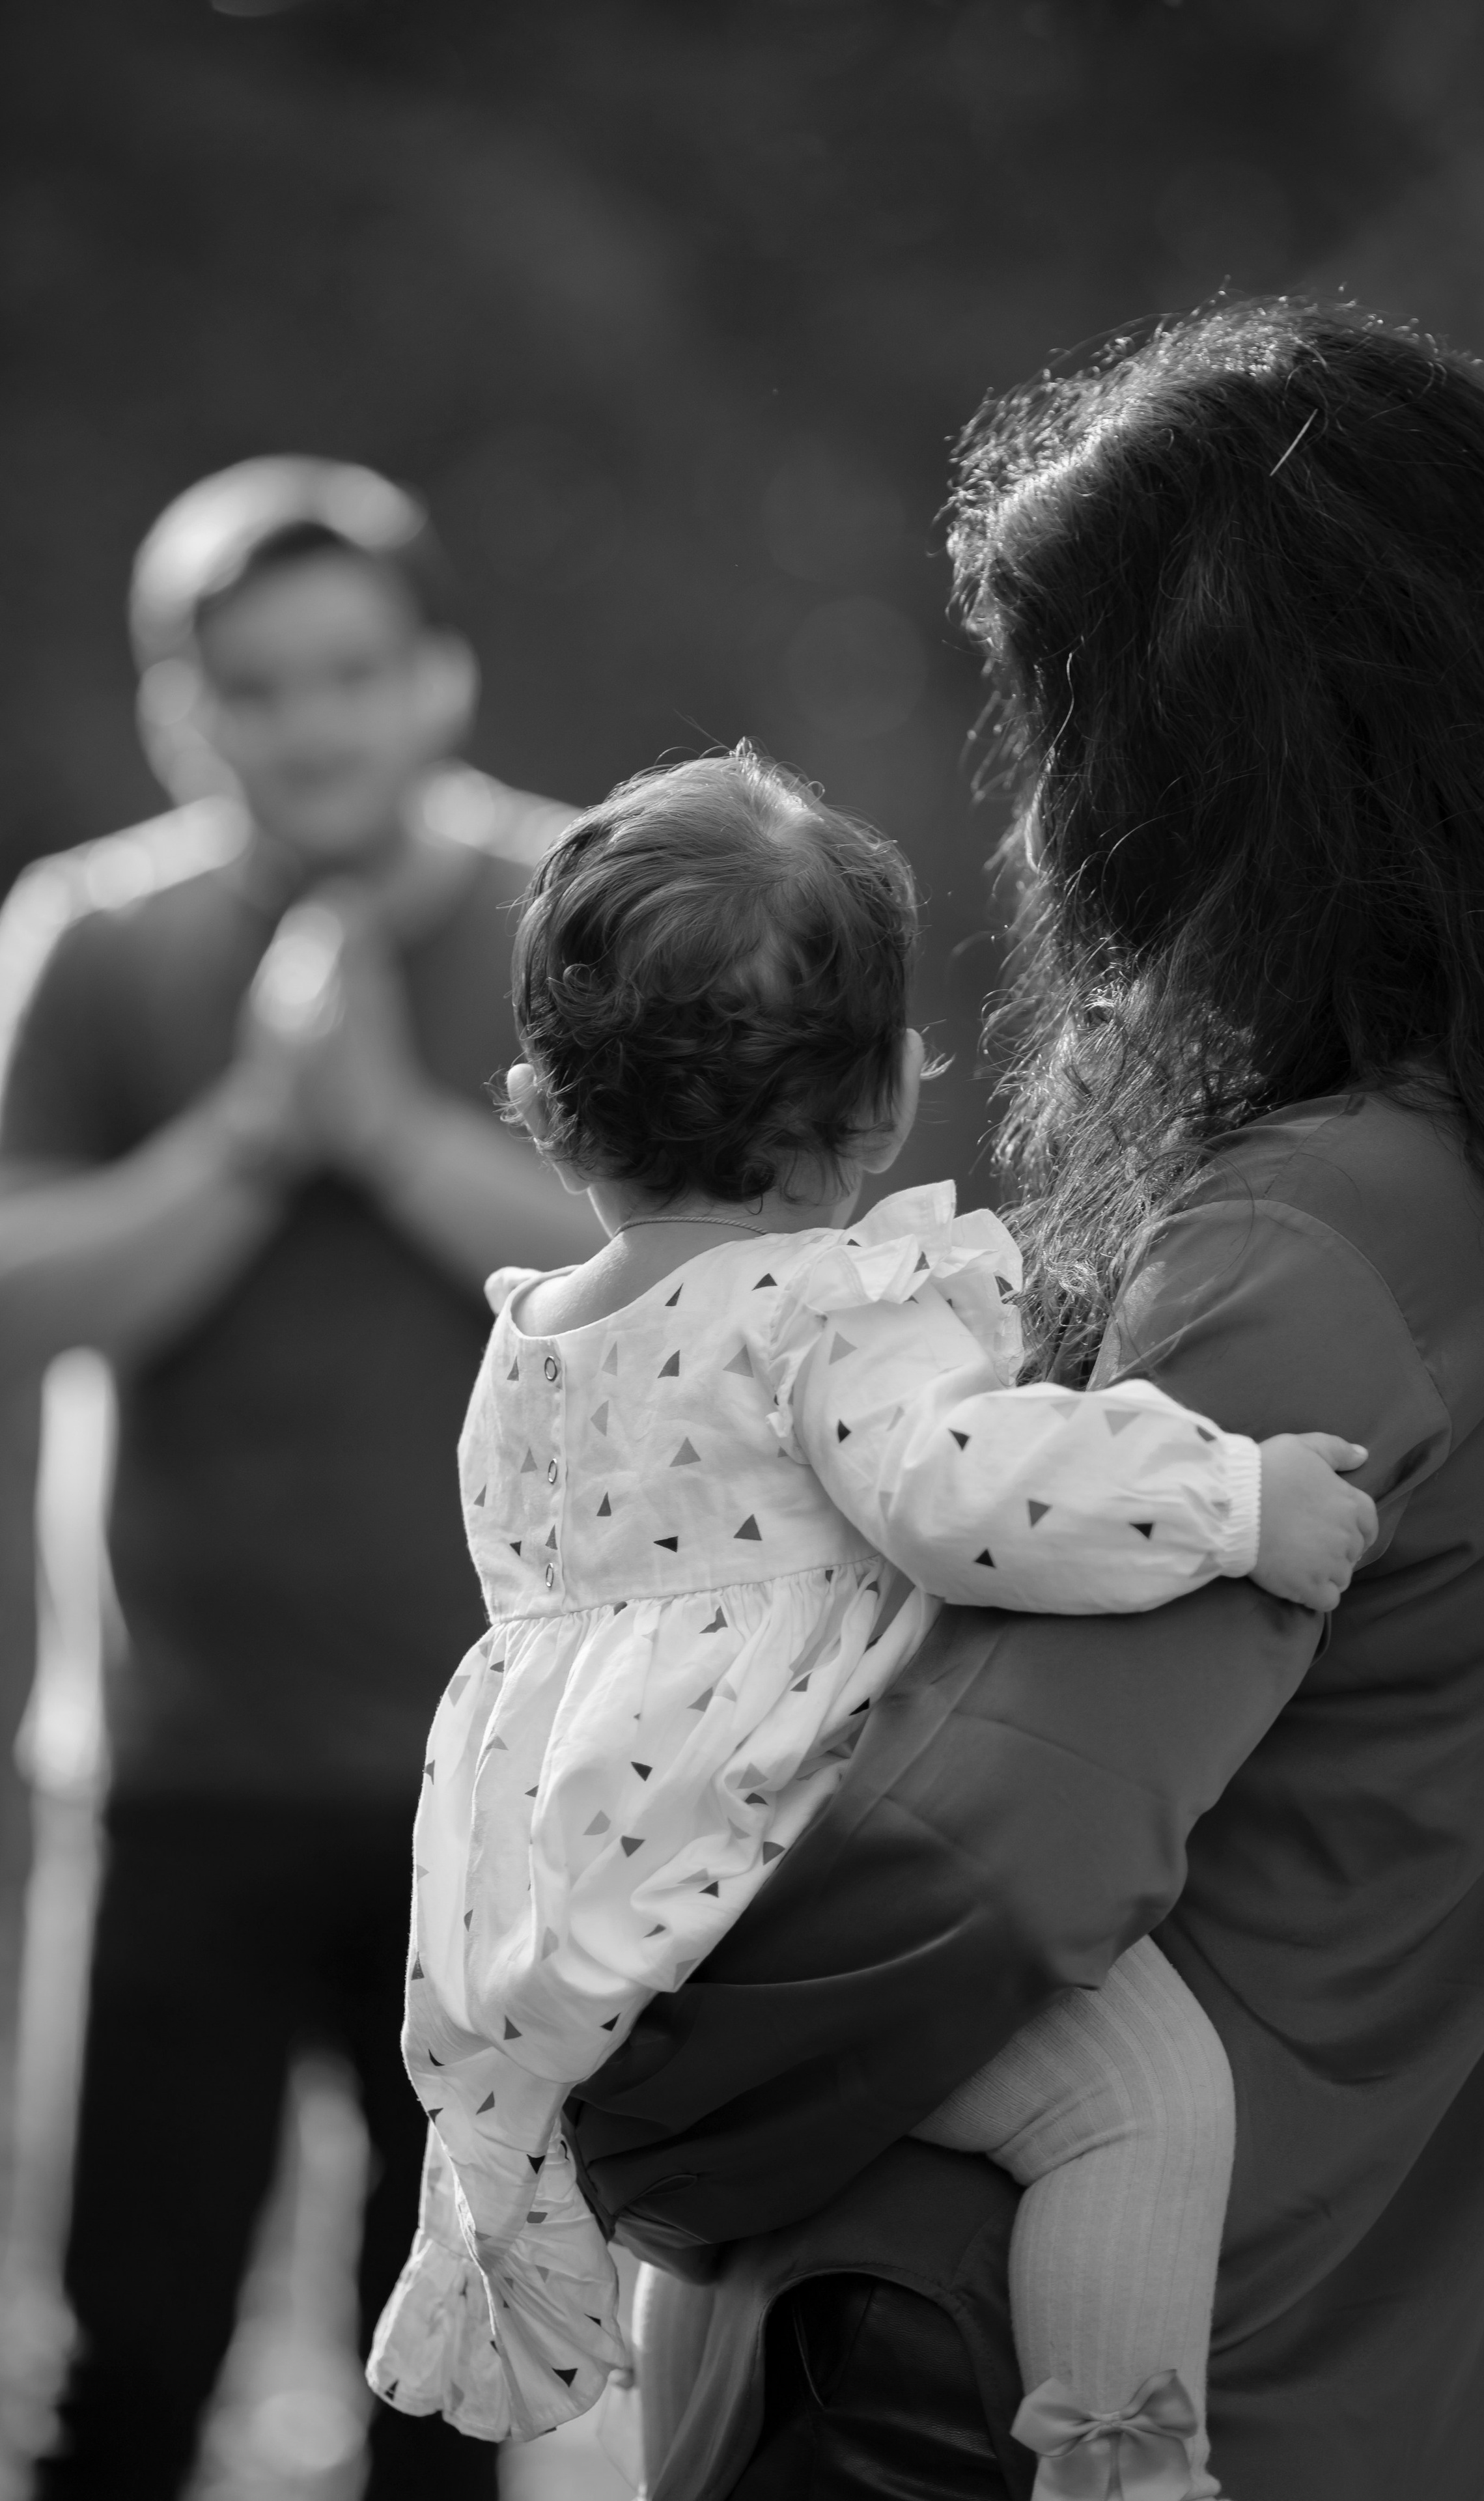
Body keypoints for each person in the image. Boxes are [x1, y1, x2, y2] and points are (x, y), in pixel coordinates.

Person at [558, 299, 1484, 2501]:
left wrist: (616, 2095)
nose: (1050, 811)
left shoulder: (1307, 1248)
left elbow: (988, 1866)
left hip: (1033, 2396)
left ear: (1221, 749)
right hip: (1399, 2386)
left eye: (1058, 721)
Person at [363, 749, 1376, 2496]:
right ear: (880, 1104)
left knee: (736, 2246)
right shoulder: (823, 1309)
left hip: (580, 1923)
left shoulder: (532, 1340)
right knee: (1138, 2099)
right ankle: (1129, 2470)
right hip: (778, 1881)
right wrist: (1239, 1500)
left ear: (545, 1097)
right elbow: (972, 1493)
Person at [0, 456, 598, 2500]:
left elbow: (679, 1282)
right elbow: (21, 1291)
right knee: (129, 2360)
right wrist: (257, 1135)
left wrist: (395, 1136)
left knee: (445, 2393)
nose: (311, 723)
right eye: (253, 685)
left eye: (353, 671)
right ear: (178, 707)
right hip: (172, 1766)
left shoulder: (573, 915)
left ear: (443, 676)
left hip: (507, 1783)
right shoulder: (90, 940)